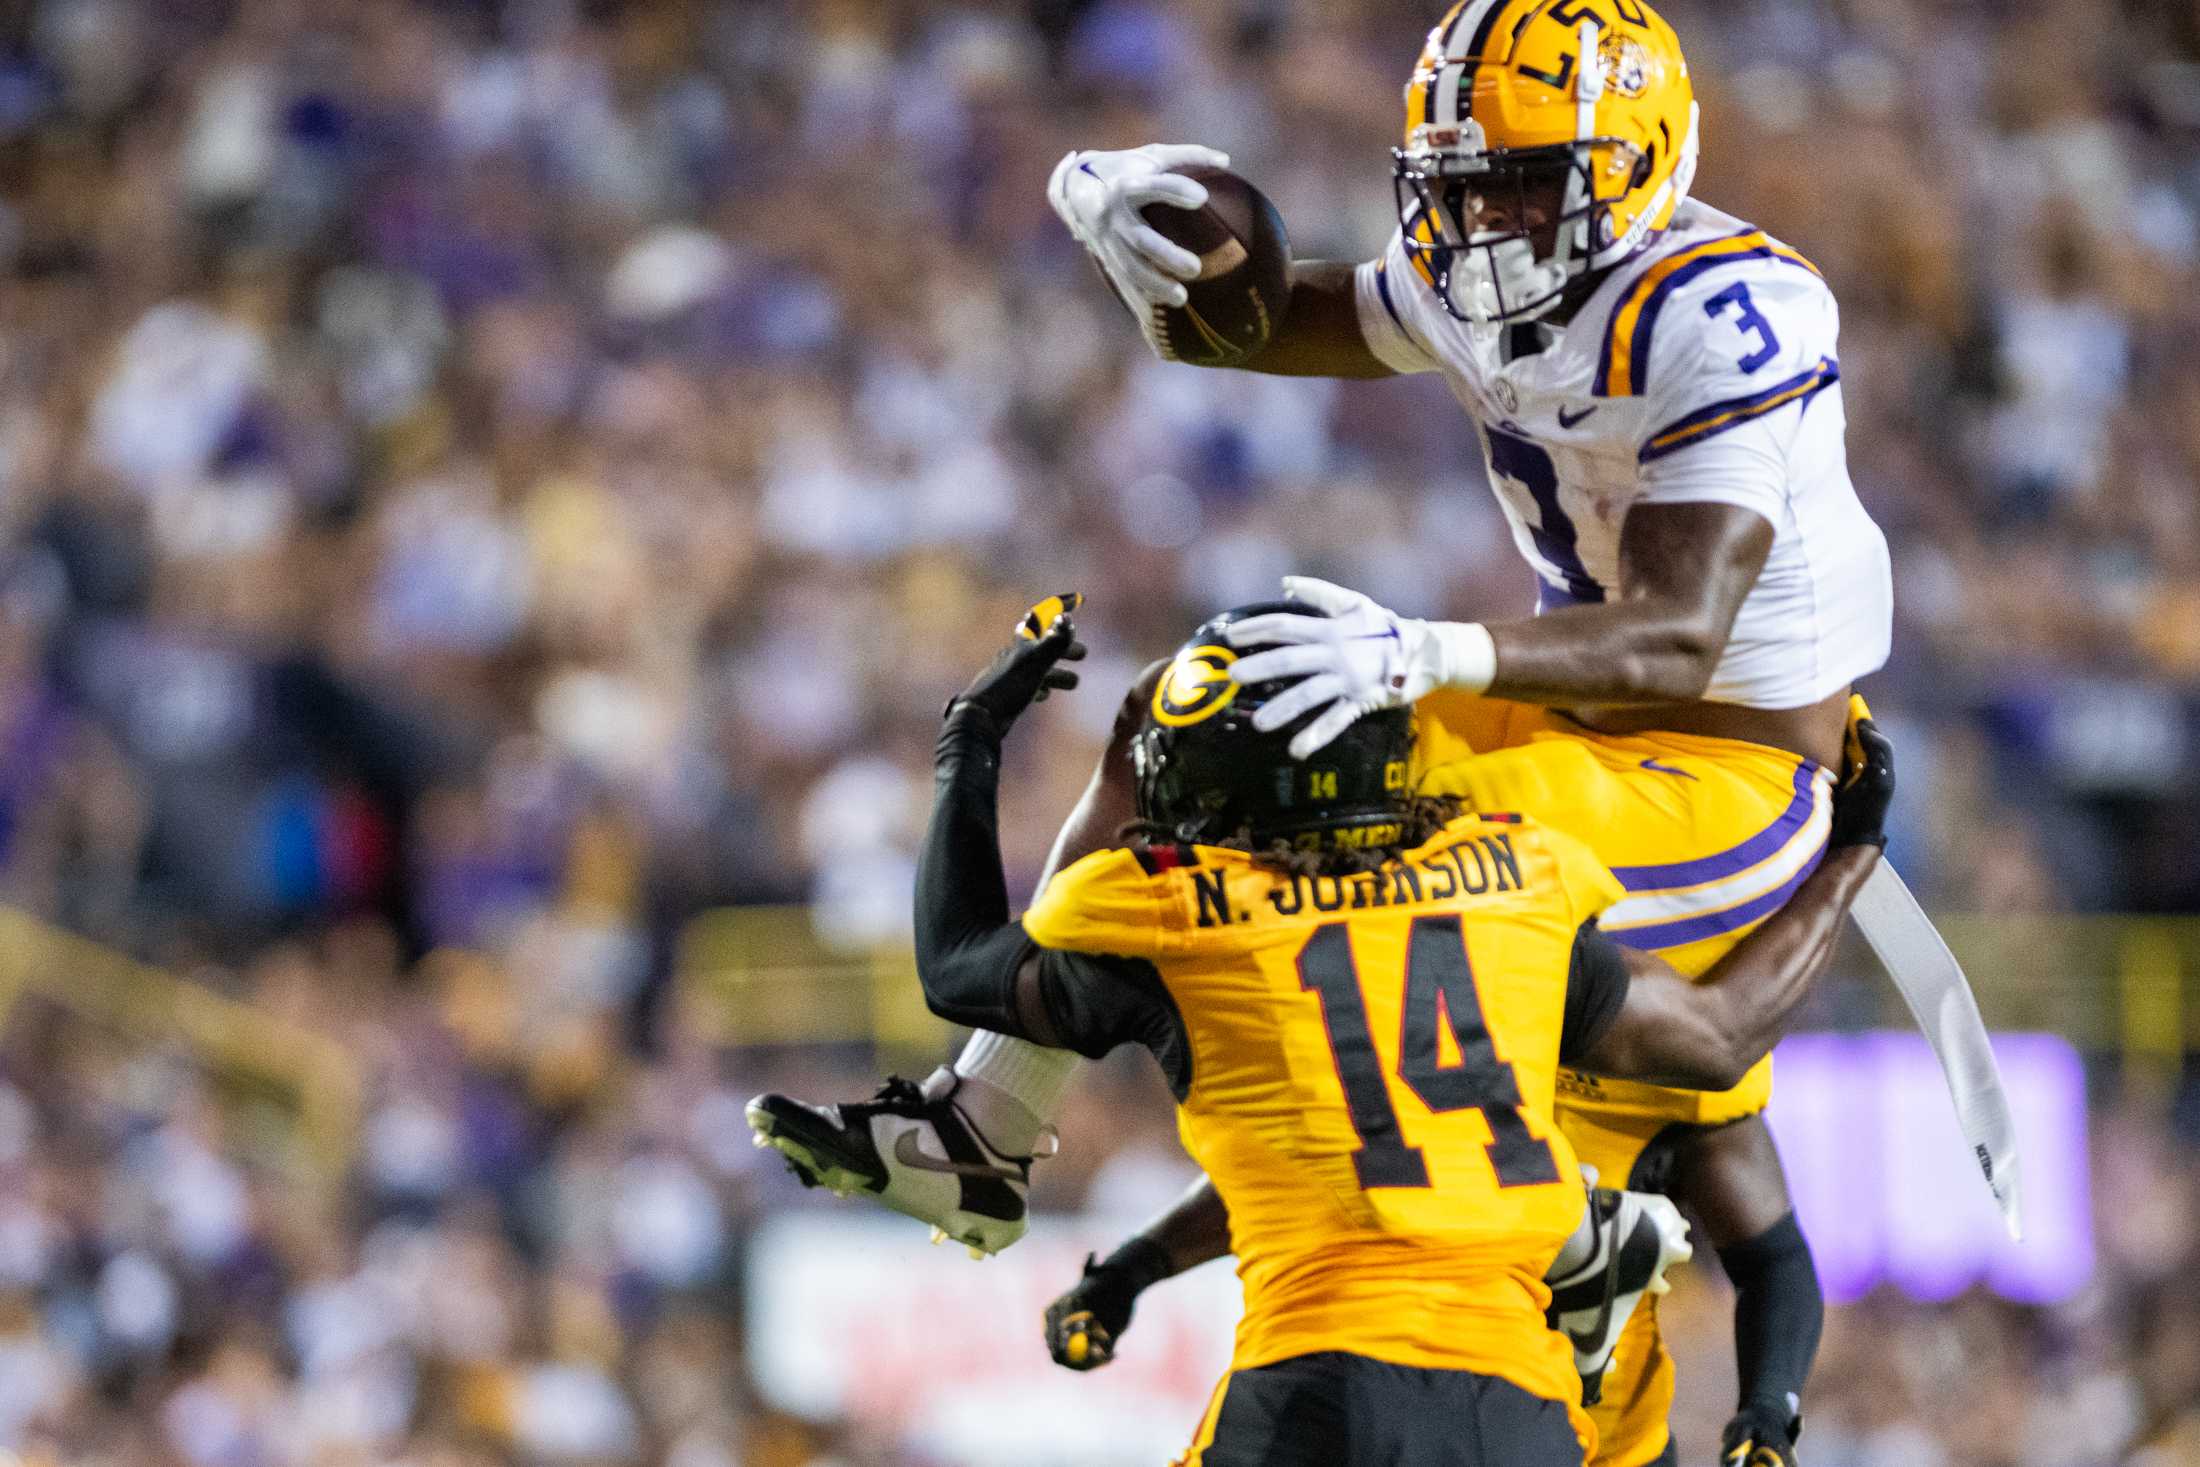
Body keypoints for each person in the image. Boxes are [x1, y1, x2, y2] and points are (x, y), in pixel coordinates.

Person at [752, 0, 1894, 1460]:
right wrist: (1122, 229)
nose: (1483, 221)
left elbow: (1682, 625)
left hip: (1730, 770)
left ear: (1637, 163)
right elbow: (1246, 326)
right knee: (1199, 718)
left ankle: (1582, 1239)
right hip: (1565, 709)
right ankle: (978, 1132)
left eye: (1523, 182)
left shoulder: (1723, 309)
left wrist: (1422, 652)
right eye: (1460, 181)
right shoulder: (1503, 265)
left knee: (1412, 914)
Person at [810, 605, 1887, 1466]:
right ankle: (1585, 1243)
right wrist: (1850, 857)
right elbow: (1715, 1036)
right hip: (1519, 1403)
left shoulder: (1182, 915)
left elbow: (960, 967)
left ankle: (980, 1140)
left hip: (1318, 1379)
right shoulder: (1517, 880)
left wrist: (974, 740)